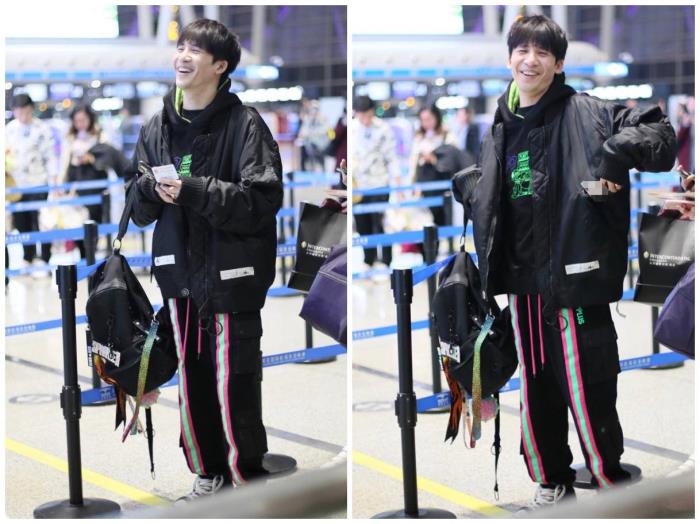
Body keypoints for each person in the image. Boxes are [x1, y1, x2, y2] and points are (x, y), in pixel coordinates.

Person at [457, 15, 677, 510]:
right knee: (537, 389)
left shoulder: (590, 113)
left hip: (576, 280)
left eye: (543, 52)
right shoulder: (499, 127)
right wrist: (470, 190)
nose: (530, 60)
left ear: (558, 64)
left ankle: (608, 481)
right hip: (522, 287)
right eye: (522, 50)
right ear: (509, 58)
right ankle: (550, 479)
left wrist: (615, 153)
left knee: (589, 384)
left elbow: (660, 132)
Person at [127, 18, 283, 501]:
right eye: (181, 46)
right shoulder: (156, 126)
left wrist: (193, 189)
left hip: (230, 276)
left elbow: (261, 200)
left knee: (234, 380)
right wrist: (149, 190)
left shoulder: (245, 124)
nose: (183, 56)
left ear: (220, 66)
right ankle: (207, 471)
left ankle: (246, 480)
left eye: (196, 50)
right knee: (192, 383)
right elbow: (137, 209)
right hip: (177, 275)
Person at [5, 94, 57, 274]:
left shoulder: (42, 129)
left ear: (31, 109)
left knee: (41, 222)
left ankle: (44, 259)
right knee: (21, 223)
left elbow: (50, 156)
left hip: (38, 183)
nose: (22, 116)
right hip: (15, 186)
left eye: (25, 112)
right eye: (18, 112)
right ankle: (27, 257)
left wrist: (54, 182)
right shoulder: (9, 130)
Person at [352, 95, 399, 271]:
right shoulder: (353, 128)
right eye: (361, 115)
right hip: (358, 186)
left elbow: (391, 156)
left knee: (380, 223)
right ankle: (369, 260)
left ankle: (386, 261)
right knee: (362, 224)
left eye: (367, 115)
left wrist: (397, 180)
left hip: (380, 183)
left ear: (372, 112)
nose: (364, 119)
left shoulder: (383, 129)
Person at [60, 105, 110, 259]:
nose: (80, 123)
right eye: (77, 120)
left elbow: (108, 159)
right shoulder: (69, 137)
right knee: (76, 222)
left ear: (90, 119)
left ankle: (91, 256)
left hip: (95, 184)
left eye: (83, 119)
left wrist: (91, 158)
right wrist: (61, 185)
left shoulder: (101, 136)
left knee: (95, 221)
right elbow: (64, 163)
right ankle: (83, 256)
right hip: (75, 186)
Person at [408, 104, 458, 228]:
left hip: (443, 187)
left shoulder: (447, 137)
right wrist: (413, 185)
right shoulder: (419, 138)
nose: (426, 123)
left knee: (444, 222)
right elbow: (413, 165)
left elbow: (453, 161)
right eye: (423, 120)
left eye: (429, 119)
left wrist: (433, 159)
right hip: (424, 189)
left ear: (437, 117)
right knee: (424, 224)